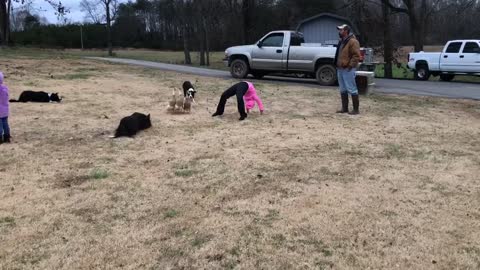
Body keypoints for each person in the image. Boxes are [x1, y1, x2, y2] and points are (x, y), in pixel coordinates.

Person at [334, 24, 361, 115]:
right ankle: (344, 108)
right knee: (342, 89)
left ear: (346, 31)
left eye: (341, 30)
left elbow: (356, 56)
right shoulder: (341, 41)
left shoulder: (353, 41)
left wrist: (350, 66)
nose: (339, 32)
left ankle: (356, 110)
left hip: (348, 69)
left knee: (352, 89)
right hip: (340, 68)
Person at [0, 71, 11, 144]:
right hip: (5, 110)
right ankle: (7, 137)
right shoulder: (5, 88)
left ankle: (0, 138)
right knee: (5, 124)